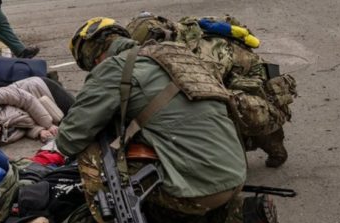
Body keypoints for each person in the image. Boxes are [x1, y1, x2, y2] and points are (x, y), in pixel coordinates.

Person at [54, 17, 283, 223]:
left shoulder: (113, 68)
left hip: (198, 188)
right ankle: (243, 216)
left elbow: (69, 139)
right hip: (235, 171)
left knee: (95, 152)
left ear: (95, 56)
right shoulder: (178, 54)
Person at [126, 12, 297, 168]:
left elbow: (206, 94)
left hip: (256, 91)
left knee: (223, 111)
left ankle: (269, 149)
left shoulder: (202, 54)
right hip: (230, 79)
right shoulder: (178, 37)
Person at [0, 76, 74, 146]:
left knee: (80, 113)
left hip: (40, 89)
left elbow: (26, 99)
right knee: (73, 128)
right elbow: (23, 125)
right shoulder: (1, 138)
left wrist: (48, 125)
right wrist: (39, 131)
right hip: (48, 111)